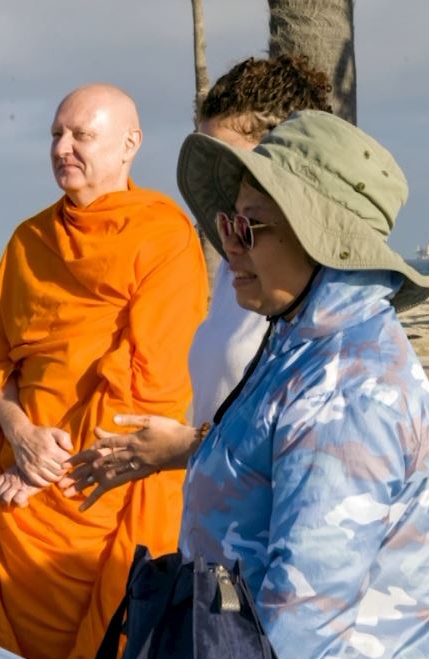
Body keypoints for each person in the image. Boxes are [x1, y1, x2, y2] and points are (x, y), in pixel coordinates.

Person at [171, 111, 429, 659]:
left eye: (253, 228)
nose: (230, 245)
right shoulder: (303, 341)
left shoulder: (348, 383)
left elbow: (304, 611)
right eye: (228, 223)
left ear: (323, 238)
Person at [0, 84, 207, 659]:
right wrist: (18, 435)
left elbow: (146, 389)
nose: (62, 148)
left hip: (105, 501)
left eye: (81, 136)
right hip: (19, 503)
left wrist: (51, 469)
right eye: (55, 135)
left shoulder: (164, 237)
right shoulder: (27, 241)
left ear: (130, 145)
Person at [61, 55, 332, 505]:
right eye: (211, 165)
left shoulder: (326, 297)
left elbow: (314, 454)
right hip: (220, 537)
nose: (226, 186)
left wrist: (185, 446)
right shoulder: (236, 267)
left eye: (235, 165)